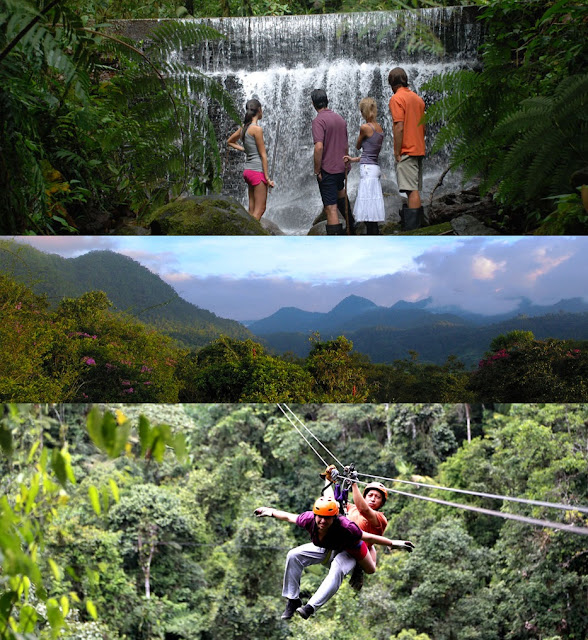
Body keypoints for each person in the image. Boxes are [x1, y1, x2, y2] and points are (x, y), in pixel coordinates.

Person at [254, 495, 414, 620]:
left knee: (337, 569)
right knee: (293, 555)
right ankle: (293, 599)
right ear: (315, 515)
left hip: (349, 552)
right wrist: (269, 511)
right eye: (320, 517)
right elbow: (289, 517)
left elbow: (369, 537)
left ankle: (310, 607)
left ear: (335, 518)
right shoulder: (309, 519)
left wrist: (394, 543)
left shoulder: (347, 527)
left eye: (327, 518)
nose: (322, 521)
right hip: (326, 548)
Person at [310, 89, 354, 235]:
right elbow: (345, 144)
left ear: (313, 104)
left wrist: (317, 170)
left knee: (331, 208)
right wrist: (347, 163)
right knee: (340, 193)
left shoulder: (318, 121)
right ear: (327, 100)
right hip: (341, 167)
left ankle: (335, 242)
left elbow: (319, 147)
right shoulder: (339, 118)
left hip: (328, 169)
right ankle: (351, 226)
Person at [388, 67, 426, 230]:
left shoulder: (397, 98)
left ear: (391, 83)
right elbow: (422, 125)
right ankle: (418, 226)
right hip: (418, 147)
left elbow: (399, 126)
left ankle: (414, 230)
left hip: (407, 149)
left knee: (411, 191)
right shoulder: (417, 99)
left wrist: (397, 151)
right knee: (415, 188)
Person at [343, 97, 386, 235]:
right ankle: (375, 232)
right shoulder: (379, 128)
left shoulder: (365, 128)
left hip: (367, 170)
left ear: (364, 111)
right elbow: (370, 154)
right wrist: (353, 160)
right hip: (374, 168)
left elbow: (358, 145)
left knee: (367, 202)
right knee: (372, 201)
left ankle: (371, 234)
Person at [227, 98, 275, 220]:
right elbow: (263, 155)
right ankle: (252, 236)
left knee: (252, 209)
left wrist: (244, 149)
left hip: (248, 172)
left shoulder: (244, 128)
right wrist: (268, 178)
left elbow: (230, 141)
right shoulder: (256, 129)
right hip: (257, 172)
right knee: (260, 209)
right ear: (259, 110)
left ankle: (246, 235)